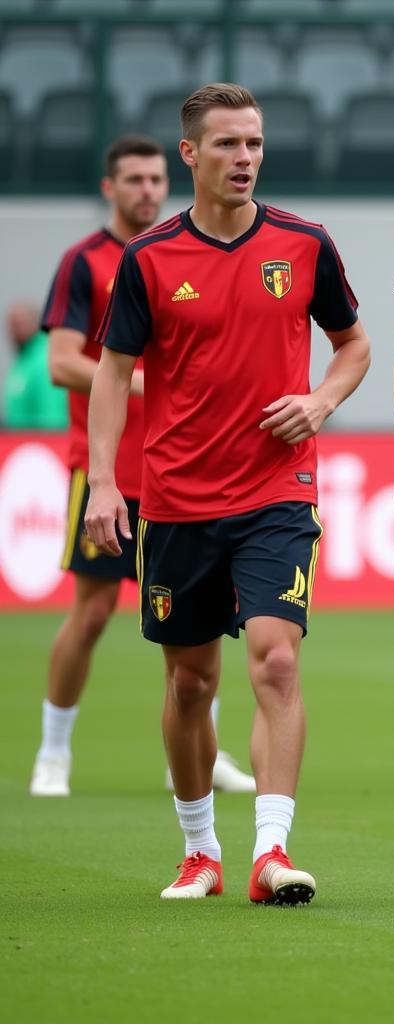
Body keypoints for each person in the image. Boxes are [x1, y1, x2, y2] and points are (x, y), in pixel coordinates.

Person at [84, 84, 370, 901]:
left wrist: (319, 401)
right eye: (227, 145)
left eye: (254, 143)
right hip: (175, 500)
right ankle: (200, 851)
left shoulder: (305, 245)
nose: (245, 158)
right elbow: (112, 376)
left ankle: (270, 853)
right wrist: (106, 482)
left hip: (277, 491)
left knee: (276, 659)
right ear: (190, 155)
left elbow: (353, 346)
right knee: (190, 684)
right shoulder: (150, 258)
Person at [28, 135, 255, 798]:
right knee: (93, 612)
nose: (147, 191)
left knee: (201, 625)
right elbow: (63, 361)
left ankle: (198, 758)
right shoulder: (85, 263)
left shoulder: (185, 254)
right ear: (110, 188)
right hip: (107, 474)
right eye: (133, 180)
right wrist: (143, 382)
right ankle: (54, 751)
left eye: (155, 179)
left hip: (185, 474)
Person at [3, 301, 67, 428]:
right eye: (10, 326)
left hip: (40, 443)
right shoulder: (24, 360)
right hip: (20, 444)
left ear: (35, 323)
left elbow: (51, 418)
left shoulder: (44, 360)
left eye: (17, 325)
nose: (12, 332)